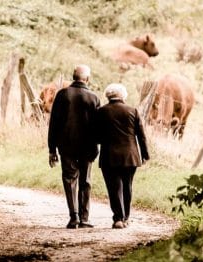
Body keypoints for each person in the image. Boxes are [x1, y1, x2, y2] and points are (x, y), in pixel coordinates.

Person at [47, 64, 100, 229]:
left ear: (73, 76)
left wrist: (52, 149)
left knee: (69, 179)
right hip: (88, 147)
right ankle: (84, 218)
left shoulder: (62, 95)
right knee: (85, 181)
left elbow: (53, 124)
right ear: (87, 79)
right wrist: (98, 145)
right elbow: (98, 126)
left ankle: (74, 217)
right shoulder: (93, 98)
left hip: (66, 146)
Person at [95, 83, 150, 229]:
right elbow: (141, 136)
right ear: (123, 95)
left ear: (108, 95)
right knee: (127, 186)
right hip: (130, 155)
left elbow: (96, 136)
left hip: (109, 155)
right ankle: (126, 217)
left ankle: (118, 218)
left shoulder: (101, 112)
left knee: (113, 187)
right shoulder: (133, 111)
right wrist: (145, 154)